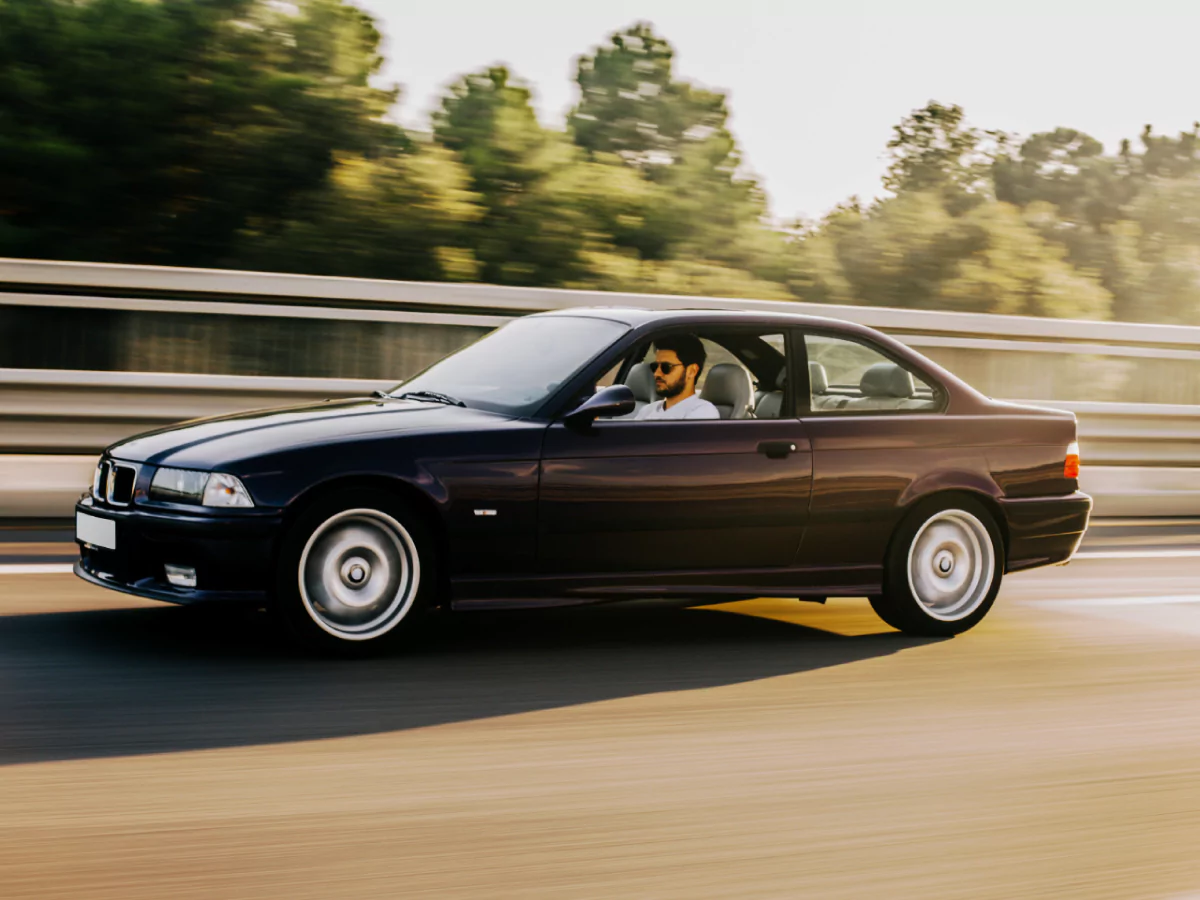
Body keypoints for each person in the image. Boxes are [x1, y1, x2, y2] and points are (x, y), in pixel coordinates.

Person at [635, 334, 720, 420]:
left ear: (691, 371)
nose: (657, 373)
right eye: (655, 366)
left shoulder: (703, 412)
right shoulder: (647, 410)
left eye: (666, 367)